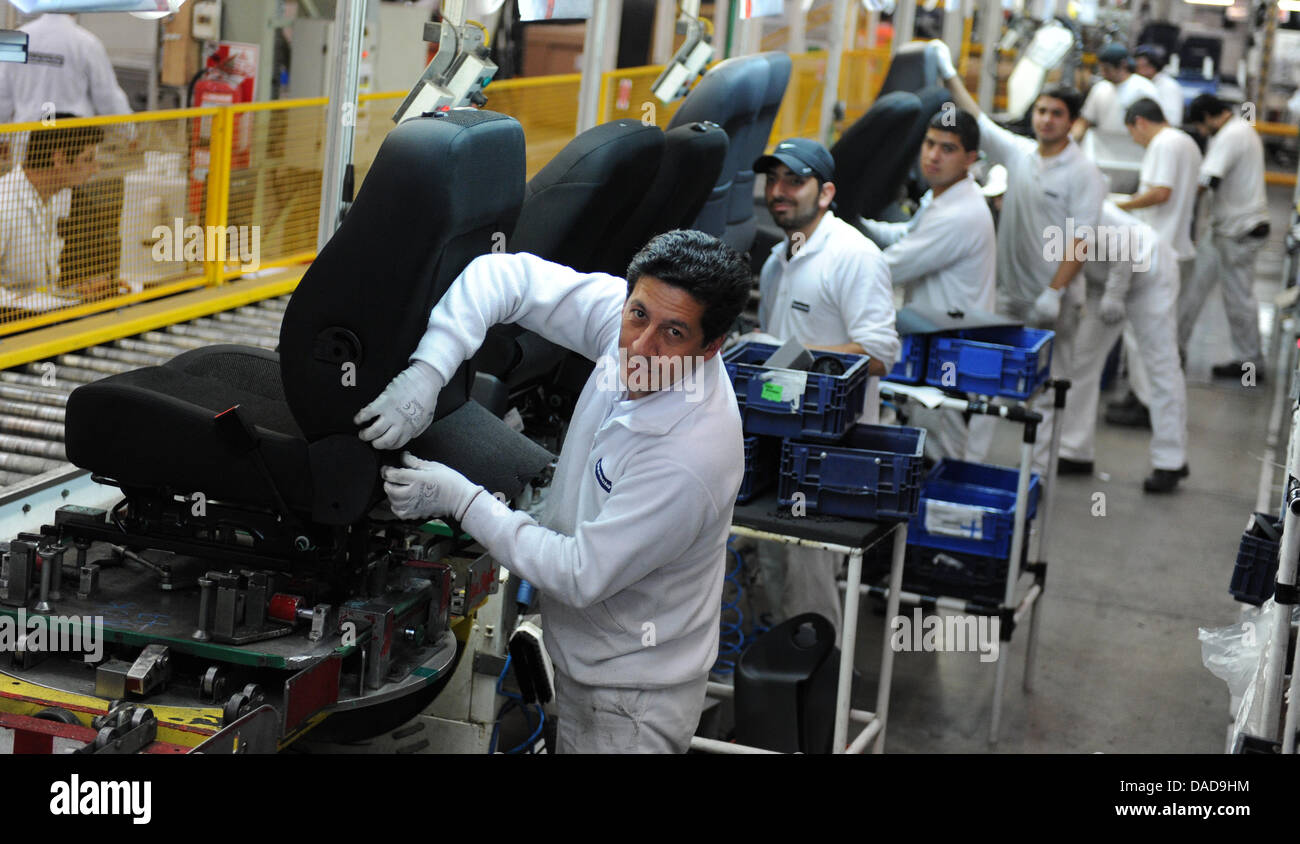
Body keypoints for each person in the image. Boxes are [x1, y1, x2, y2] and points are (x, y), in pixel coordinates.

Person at [355, 230, 753, 754]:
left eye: (674, 333)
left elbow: (579, 574)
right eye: (637, 315)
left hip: (633, 701)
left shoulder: (692, 454)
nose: (641, 345)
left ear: (711, 345)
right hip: (592, 664)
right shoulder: (635, 319)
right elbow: (503, 275)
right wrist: (430, 369)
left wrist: (462, 500)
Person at [752, 137, 900, 645]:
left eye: (794, 181)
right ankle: (781, 677)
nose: (779, 192)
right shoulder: (777, 260)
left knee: (808, 574)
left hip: (832, 449)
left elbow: (881, 353)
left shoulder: (854, 257)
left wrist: (798, 354)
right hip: (781, 439)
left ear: (826, 191)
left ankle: (818, 690)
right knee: (775, 565)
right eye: (773, 181)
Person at [935, 40, 1107, 474]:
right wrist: (947, 71)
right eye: (1041, 111)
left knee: (1046, 388)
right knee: (986, 377)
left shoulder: (1084, 173)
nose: (1046, 120)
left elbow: (1081, 239)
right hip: (1010, 294)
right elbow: (975, 117)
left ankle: (1038, 473)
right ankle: (968, 465)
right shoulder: (1019, 154)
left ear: (1071, 121)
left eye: (1056, 114)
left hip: (1055, 300)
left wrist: (1055, 291)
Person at [861, 108, 997, 462]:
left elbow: (894, 266)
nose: (934, 156)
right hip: (939, 340)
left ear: (970, 159)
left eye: (947, 149)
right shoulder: (943, 196)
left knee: (941, 456)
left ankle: (937, 515)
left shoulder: (959, 214)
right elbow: (909, 234)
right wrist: (862, 225)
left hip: (954, 350)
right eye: (930, 144)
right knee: (930, 442)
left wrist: (840, 260)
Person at [1057, 202, 1189, 492]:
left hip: (1148, 271)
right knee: (1080, 362)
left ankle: (1171, 460)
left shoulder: (1087, 205)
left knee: (1160, 365)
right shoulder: (1045, 213)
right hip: (1101, 283)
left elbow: (1126, 247)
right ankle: (1073, 450)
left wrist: (1115, 294)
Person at [1104, 97, 1202, 429]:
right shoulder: (1186, 142)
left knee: (1141, 334)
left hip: (1158, 252)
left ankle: (1145, 404)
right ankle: (1142, 397)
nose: (1136, 140)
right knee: (1160, 335)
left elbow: (1161, 193)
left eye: (1134, 134)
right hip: (1178, 248)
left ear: (1140, 123)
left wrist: (1122, 207)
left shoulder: (1162, 144)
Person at [1179, 93, 1270, 380]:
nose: (1202, 133)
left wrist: (1172, 200)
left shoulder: (1232, 134)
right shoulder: (1238, 130)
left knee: (1238, 300)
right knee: (1192, 290)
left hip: (1239, 232)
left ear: (1208, 117)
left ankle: (1251, 365)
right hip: (1224, 230)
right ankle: (1174, 349)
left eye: (1201, 126)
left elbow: (1207, 180)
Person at [0, 120, 114, 313]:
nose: (95, 169)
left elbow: (42, 283)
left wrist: (76, 291)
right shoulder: (5, 204)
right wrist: (31, 302)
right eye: (88, 159)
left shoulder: (54, 197)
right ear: (59, 159)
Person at [0, 14, 132, 124]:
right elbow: (107, 97)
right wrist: (129, 132)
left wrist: (2, 139)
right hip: (71, 143)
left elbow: (2, 96)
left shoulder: (14, 39)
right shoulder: (87, 43)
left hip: (25, 138)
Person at [1071, 43, 1158, 146]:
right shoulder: (1100, 88)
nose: (1103, 73)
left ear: (1123, 65)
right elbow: (1085, 121)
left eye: (1107, 69)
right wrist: (1071, 141)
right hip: (1104, 147)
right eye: (1101, 69)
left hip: (1133, 148)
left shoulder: (1144, 88)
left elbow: (1154, 126)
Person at [1133, 43, 1184, 128]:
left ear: (1151, 67)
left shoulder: (1169, 86)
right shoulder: (1141, 84)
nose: (1137, 71)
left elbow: (1173, 121)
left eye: (1140, 67)